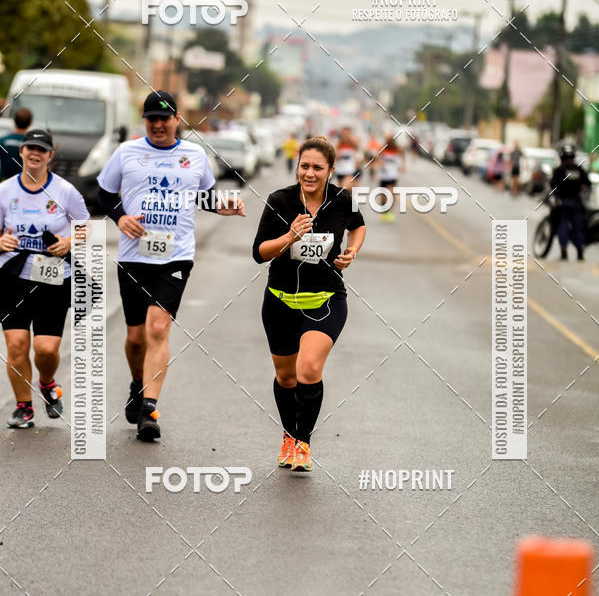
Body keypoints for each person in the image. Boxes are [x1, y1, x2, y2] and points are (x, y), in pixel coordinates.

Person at [97, 90, 245, 442]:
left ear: (177, 119)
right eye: (151, 119)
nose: (158, 125)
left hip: (175, 257)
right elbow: (103, 193)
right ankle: (137, 383)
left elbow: (205, 196)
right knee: (135, 338)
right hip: (134, 255)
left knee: (158, 328)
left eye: (164, 118)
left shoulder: (194, 155)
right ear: (144, 121)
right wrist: (120, 218)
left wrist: (226, 205)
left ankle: (149, 407)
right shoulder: (127, 152)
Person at [252, 135, 366, 472]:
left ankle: (303, 443)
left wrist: (352, 251)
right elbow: (259, 253)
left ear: (331, 170)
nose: (310, 173)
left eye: (318, 167)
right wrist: (289, 236)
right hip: (280, 301)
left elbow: (358, 228)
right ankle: (289, 435)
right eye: (305, 166)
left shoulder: (345, 200)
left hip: (326, 299)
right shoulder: (280, 200)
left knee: (309, 369)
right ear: (297, 167)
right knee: (286, 377)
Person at [0, 128, 89, 428]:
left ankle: (48, 383)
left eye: (41, 149)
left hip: (52, 279)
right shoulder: (5, 190)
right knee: (16, 345)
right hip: (12, 277)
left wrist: (69, 243)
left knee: (46, 350)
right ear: (22, 152)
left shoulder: (65, 191)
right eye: (30, 148)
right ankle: (24, 406)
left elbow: (84, 226)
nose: (35, 153)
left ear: (51, 155)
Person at [550, 143, 590, 261]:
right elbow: (587, 183)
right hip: (576, 204)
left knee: (562, 225)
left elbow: (553, 185)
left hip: (563, 204)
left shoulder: (559, 170)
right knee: (578, 227)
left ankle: (564, 252)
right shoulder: (579, 169)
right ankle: (580, 252)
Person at [376, 135, 405, 223]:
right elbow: (377, 156)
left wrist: (403, 165)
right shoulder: (383, 148)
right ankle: (385, 211)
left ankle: (389, 212)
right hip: (383, 175)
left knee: (391, 193)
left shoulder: (397, 148)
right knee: (383, 196)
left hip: (393, 175)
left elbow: (403, 155)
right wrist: (380, 162)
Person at [0, 108, 33, 181]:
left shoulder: (2, 141)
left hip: (4, 182)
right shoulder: (33, 144)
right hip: (24, 183)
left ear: (14, 121)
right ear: (30, 123)